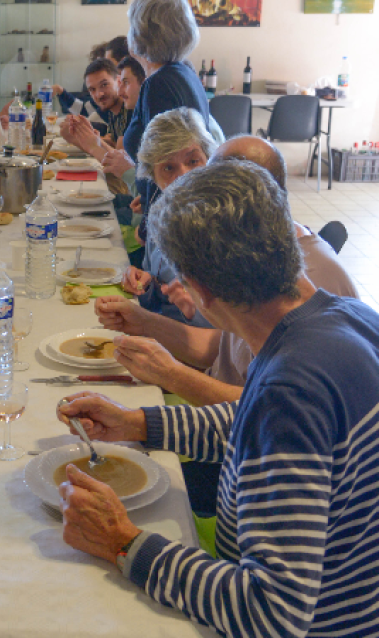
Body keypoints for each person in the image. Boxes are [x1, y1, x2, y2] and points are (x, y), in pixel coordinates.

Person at [57, 160, 379, 637]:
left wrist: (124, 543)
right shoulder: (347, 317)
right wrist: (139, 424)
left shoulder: (290, 390)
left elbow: (271, 613)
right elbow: (265, 429)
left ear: (201, 291)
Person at [98, 135, 359, 405]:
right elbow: (226, 349)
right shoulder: (262, 248)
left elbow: (273, 407)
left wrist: (170, 376)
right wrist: (144, 323)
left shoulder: (306, 277)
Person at [117, 107, 218, 326]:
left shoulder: (224, 225)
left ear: (209, 159)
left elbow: (241, 335)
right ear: (152, 176)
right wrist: (145, 281)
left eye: (193, 162)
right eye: (169, 167)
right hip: (162, 329)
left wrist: (196, 313)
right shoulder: (158, 216)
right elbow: (157, 282)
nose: (183, 175)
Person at [122, 0, 209, 243]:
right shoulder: (183, 72)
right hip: (177, 211)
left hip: (170, 228)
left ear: (142, 31)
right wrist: (145, 189)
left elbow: (169, 164)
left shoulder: (158, 85)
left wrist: (149, 226)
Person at [59, 59, 130, 152]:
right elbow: (112, 143)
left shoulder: (129, 110)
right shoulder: (113, 111)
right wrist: (84, 135)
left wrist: (77, 139)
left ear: (118, 81)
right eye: (92, 89)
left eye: (104, 85)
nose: (99, 94)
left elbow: (119, 161)